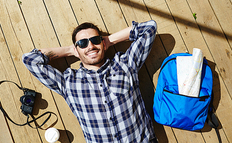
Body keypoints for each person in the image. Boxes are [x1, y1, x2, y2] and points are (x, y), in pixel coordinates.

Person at [22, 20, 158, 143]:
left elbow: (149, 28)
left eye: (95, 40)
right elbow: (30, 60)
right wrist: (70, 50)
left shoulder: (125, 64)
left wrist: (109, 41)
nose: (91, 45)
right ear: (76, 49)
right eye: (82, 43)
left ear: (102, 43)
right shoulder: (68, 83)